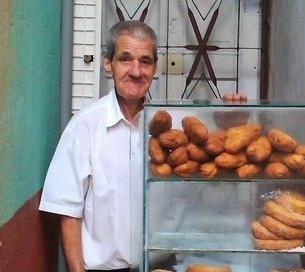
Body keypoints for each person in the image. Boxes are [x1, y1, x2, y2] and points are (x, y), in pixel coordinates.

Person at [39, 20, 246, 272]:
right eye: (126, 59)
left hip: (163, 267)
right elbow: (67, 209)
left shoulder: (175, 127)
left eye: (145, 61)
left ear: (155, 67)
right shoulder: (84, 127)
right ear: (108, 63)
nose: (136, 71)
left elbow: (218, 158)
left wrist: (233, 120)